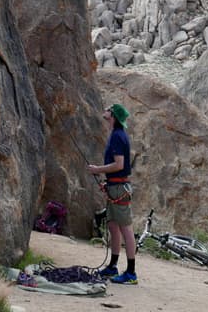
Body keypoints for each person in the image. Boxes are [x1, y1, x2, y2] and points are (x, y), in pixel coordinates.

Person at [87, 103, 137, 285]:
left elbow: (119, 165)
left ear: (113, 116)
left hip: (118, 188)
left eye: (109, 109)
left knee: (126, 229)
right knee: (114, 227)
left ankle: (131, 273)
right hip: (115, 187)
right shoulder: (117, 134)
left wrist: (97, 170)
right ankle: (113, 266)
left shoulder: (117, 136)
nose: (105, 110)